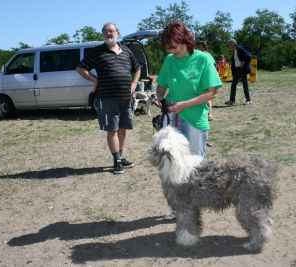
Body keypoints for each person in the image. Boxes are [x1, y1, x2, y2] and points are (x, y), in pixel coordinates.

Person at [155, 22, 222, 219]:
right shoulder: (170, 60)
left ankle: (195, 207)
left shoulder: (203, 59)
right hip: (173, 119)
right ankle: (179, 207)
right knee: (173, 165)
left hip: (194, 119)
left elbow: (211, 92)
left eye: (174, 46)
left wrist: (184, 105)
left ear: (185, 40)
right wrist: (160, 98)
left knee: (195, 165)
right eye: (168, 47)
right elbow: (161, 87)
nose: (171, 51)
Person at [76, 22, 141, 174]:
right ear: (103, 34)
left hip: (126, 97)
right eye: (105, 31)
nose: (108, 34)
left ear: (117, 32)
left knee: (123, 129)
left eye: (111, 31)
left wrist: (134, 83)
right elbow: (80, 68)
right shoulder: (96, 52)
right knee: (112, 129)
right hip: (106, 97)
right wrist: (95, 80)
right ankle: (116, 161)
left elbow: (137, 68)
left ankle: (121, 156)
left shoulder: (126, 51)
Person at [225, 39, 252, 106]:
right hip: (236, 70)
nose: (229, 46)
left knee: (245, 85)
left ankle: (248, 100)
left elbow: (249, 56)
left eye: (229, 45)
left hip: (242, 69)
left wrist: (243, 62)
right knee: (233, 85)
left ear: (233, 44)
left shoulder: (240, 48)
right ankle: (232, 101)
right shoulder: (234, 50)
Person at [196, 40, 215, 121]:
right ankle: (204, 114)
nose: (199, 48)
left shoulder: (207, 55)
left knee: (207, 97)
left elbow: (213, 66)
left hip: (206, 79)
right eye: (198, 47)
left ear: (205, 47)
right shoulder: (196, 55)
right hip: (199, 79)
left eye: (200, 47)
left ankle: (210, 114)